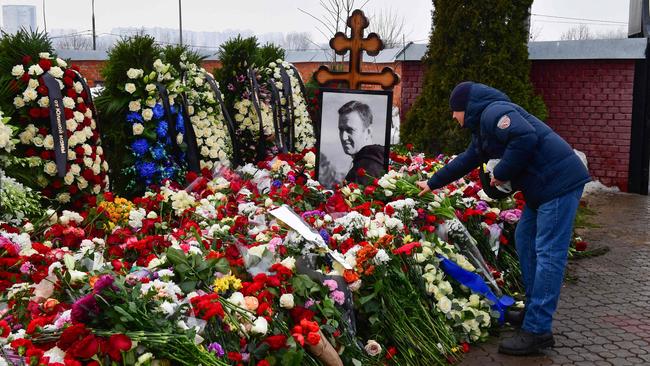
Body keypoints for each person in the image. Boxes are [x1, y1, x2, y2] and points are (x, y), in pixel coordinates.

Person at [416, 81, 590, 356]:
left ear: (465, 107)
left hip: (558, 184)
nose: (453, 116)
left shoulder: (494, 113)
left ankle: (538, 330)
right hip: (542, 189)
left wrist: (503, 172)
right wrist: (433, 182)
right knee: (525, 239)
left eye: (454, 111)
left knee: (547, 254)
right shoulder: (483, 127)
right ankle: (534, 312)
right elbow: (468, 159)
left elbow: (526, 138)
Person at [337, 100, 385, 185]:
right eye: (341, 130)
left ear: (368, 131)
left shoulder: (367, 167)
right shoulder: (372, 160)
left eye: (350, 130)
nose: (343, 137)